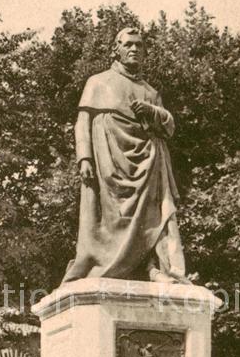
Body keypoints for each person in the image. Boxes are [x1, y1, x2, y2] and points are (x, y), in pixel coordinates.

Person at [63, 27, 187, 284]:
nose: (134, 49)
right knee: (104, 217)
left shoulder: (151, 92)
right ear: (116, 49)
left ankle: (153, 268)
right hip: (108, 163)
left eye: (139, 45)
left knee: (151, 216)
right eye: (128, 44)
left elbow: (169, 127)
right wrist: (84, 157)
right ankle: (98, 265)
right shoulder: (98, 82)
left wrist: (152, 111)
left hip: (147, 163)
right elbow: (82, 121)